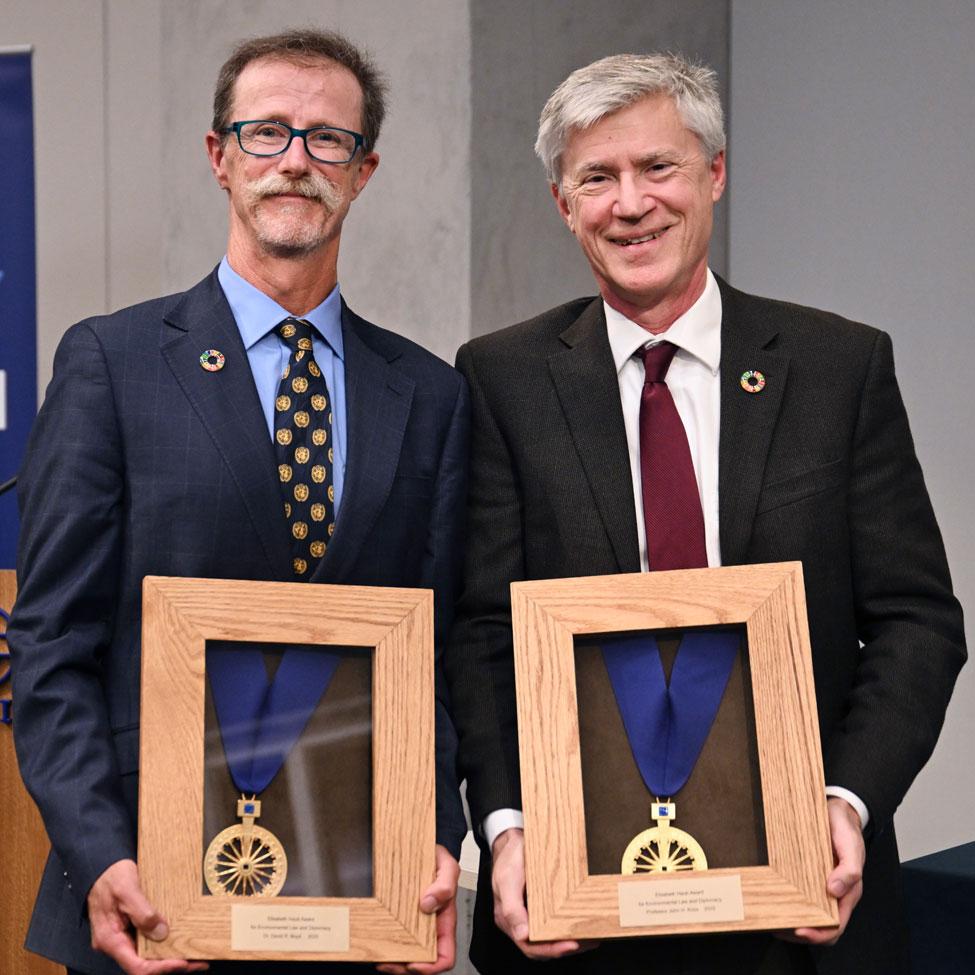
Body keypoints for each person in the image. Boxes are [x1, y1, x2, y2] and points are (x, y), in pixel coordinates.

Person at [446, 52, 965, 975]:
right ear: (564, 205)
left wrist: (845, 801)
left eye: (658, 167)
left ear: (714, 174)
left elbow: (915, 621)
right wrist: (508, 825)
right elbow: (484, 631)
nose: (630, 202)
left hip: (803, 906)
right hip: (576, 904)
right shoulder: (501, 378)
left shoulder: (837, 366)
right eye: (595, 178)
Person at [9, 28, 468, 975]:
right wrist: (100, 853)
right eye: (265, 133)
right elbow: (52, 640)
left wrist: (430, 838)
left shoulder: (428, 394)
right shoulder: (112, 363)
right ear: (219, 157)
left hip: (356, 899)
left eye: (326, 139)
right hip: (146, 903)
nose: (295, 160)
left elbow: (439, 652)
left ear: (364, 170)